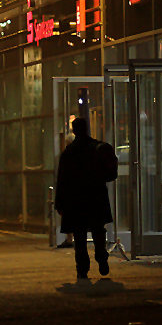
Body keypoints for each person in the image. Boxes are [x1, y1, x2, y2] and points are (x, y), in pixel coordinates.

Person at [54, 118, 113, 280]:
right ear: (87, 129)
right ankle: (101, 256)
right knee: (98, 230)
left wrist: (60, 203)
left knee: (79, 235)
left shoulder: (68, 153)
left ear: (74, 131)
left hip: (76, 199)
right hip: (96, 197)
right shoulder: (97, 148)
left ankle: (82, 267)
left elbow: (62, 180)